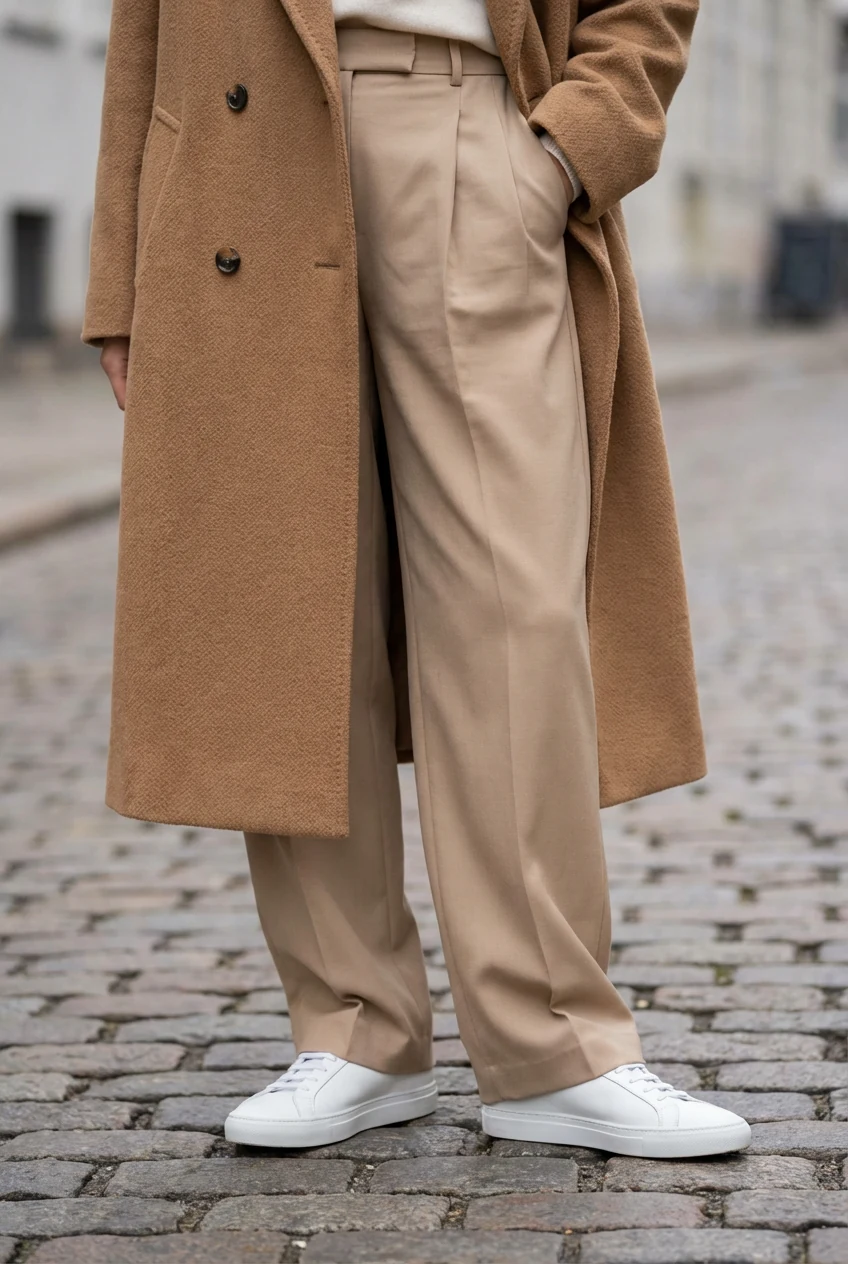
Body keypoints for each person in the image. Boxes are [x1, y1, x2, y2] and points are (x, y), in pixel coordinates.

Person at [85, 0, 751, 1158]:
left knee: (513, 600)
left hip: (475, 128)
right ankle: (351, 1029)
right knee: (287, 599)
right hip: (238, 162)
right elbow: (142, 23)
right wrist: (120, 277)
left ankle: (555, 1043)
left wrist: (566, 148)